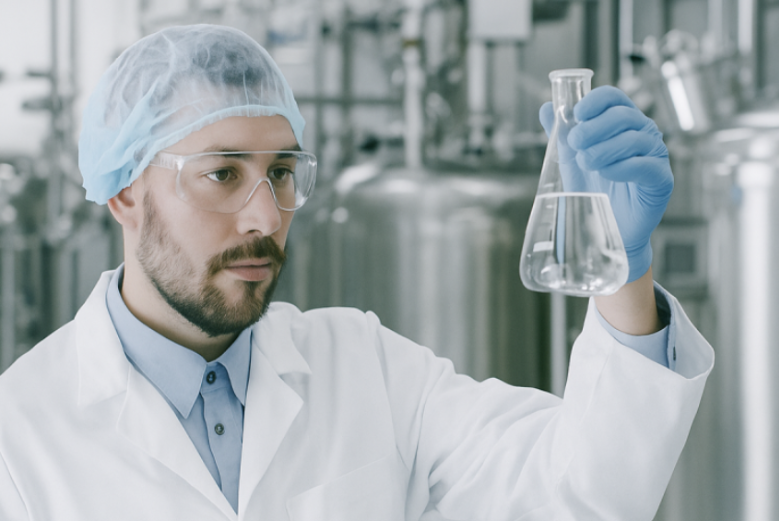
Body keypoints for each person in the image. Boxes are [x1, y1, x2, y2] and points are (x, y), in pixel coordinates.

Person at [0, 24, 713, 521]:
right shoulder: (20, 432)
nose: (264, 215)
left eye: (282, 171)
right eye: (221, 173)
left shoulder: (362, 365)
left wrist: (623, 272)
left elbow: (578, 495)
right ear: (125, 192)